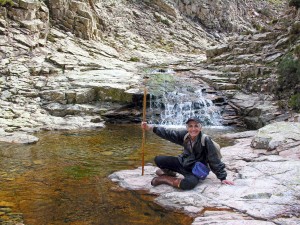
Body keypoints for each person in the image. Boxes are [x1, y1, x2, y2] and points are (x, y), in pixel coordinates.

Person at [141, 117, 234, 190]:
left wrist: (223, 178)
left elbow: (214, 159)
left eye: (196, 126)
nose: (193, 129)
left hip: (194, 170)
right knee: (158, 159)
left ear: (200, 127)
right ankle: (171, 173)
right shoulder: (185, 135)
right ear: (187, 127)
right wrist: (150, 128)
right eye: (190, 126)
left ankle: (164, 179)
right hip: (182, 162)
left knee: (188, 184)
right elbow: (168, 133)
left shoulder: (205, 140)